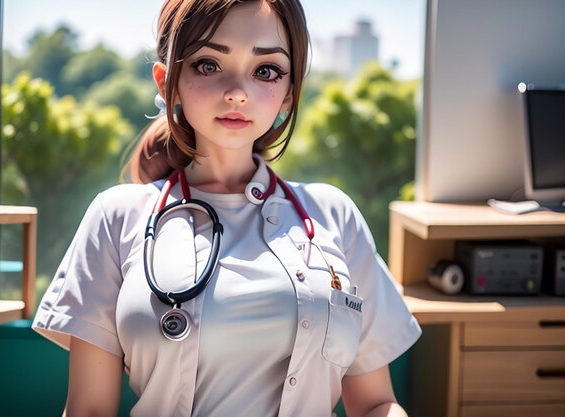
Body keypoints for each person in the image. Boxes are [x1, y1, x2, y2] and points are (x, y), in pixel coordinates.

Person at [32, 1, 422, 416]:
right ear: (168, 82)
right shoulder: (116, 216)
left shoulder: (333, 215)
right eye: (207, 64)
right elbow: (89, 410)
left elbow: (377, 404)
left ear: (289, 92)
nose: (237, 92)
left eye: (266, 70)